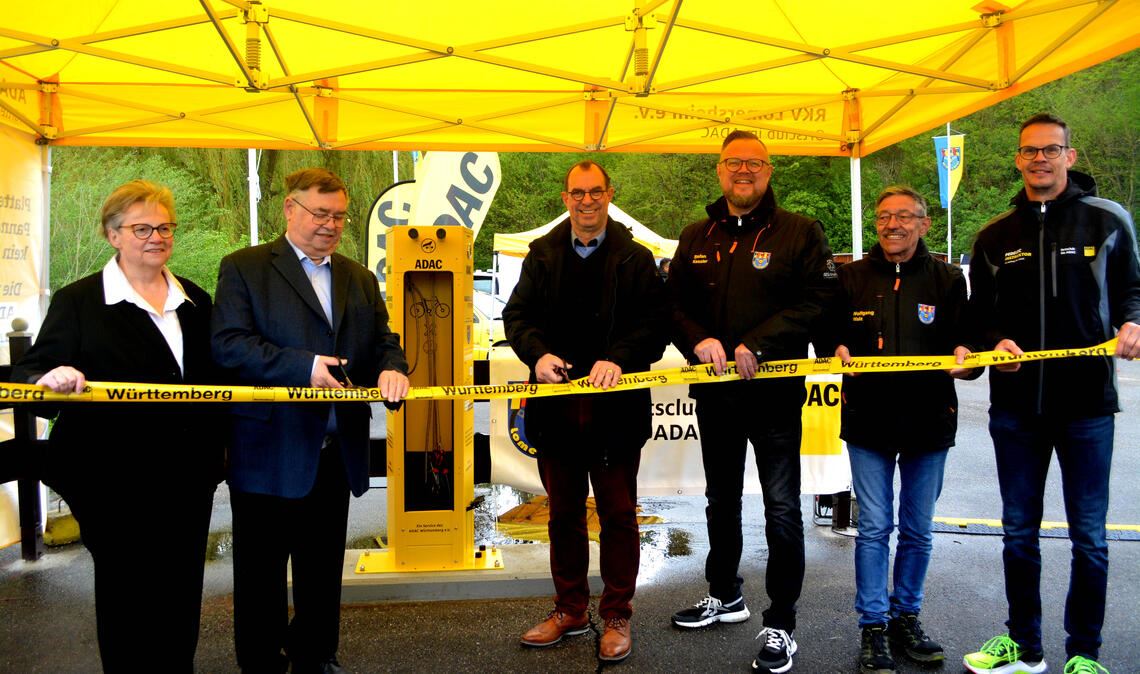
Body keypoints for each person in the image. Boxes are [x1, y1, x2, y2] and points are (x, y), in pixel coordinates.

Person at [12, 180, 224, 671]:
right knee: (128, 598)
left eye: (165, 227)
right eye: (142, 228)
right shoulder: (80, 301)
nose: (156, 236)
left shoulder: (195, 300)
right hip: (111, 482)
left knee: (180, 595)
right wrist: (51, 376)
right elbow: (31, 374)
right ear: (112, 235)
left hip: (186, 479)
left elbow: (215, 384)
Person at [212, 168, 409, 674]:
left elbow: (382, 340)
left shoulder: (358, 276)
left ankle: (317, 655)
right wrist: (304, 367)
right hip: (268, 448)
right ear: (289, 209)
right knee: (261, 574)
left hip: (334, 449)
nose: (330, 225)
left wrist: (392, 368)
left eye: (339, 215)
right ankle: (261, 662)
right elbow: (230, 345)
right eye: (320, 213)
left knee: (323, 569)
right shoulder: (245, 268)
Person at [963, 113, 1140, 674]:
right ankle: (1024, 646)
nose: (1040, 159)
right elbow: (976, 320)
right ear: (1017, 159)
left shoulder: (1107, 219)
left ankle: (1083, 653)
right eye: (1029, 151)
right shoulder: (994, 235)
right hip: (1016, 410)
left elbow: (1134, 290)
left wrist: (1136, 322)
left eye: (1051, 150)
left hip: (1088, 407)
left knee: (1089, 538)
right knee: (1019, 535)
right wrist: (994, 340)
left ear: (1070, 154)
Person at [667, 130, 837, 673]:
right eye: (733, 162)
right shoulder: (697, 234)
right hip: (716, 395)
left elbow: (819, 298)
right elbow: (671, 306)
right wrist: (698, 340)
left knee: (782, 510)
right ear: (719, 170)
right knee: (721, 500)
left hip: (774, 396)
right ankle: (726, 594)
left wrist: (758, 343)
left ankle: (781, 624)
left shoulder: (800, 232)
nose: (744, 171)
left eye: (754, 163)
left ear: (769, 171)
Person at [504, 160, 668, 663]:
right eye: (578, 193)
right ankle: (570, 609)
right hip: (558, 412)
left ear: (609, 195)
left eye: (596, 192)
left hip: (615, 413)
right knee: (565, 517)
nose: (587, 201)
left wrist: (618, 359)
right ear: (565, 198)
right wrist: (538, 355)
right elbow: (516, 316)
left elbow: (654, 327)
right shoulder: (542, 255)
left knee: (618, 516)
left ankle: (617, 615)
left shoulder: (636, 259)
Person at [828, 186, 977, 673]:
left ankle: (905, 617)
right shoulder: (850, 277)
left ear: (925, 224)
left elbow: (969, 347)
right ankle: (873, 626)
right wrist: (835, 348)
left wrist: (968, 364)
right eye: (884, 217)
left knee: (917, 530)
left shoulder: (949, 279)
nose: (892, 225)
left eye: (904, 217)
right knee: (873, 528)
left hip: (930, 423)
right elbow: (826, 332)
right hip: (868, 423)